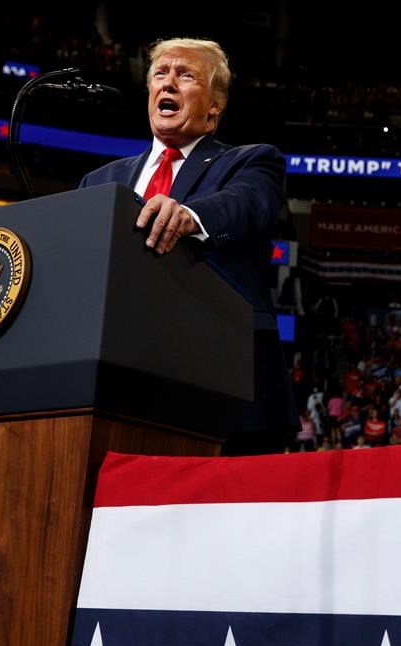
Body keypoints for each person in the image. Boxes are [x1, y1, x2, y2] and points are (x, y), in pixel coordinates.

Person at [80, 37, 297, 454]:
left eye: (186, 75)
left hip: (223, 378)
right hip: (118, 379)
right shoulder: (100, 181)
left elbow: (245, 206)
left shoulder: (251, 161)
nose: (168, 84)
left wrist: (189, 216)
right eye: (160, 75)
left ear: (214, 106)